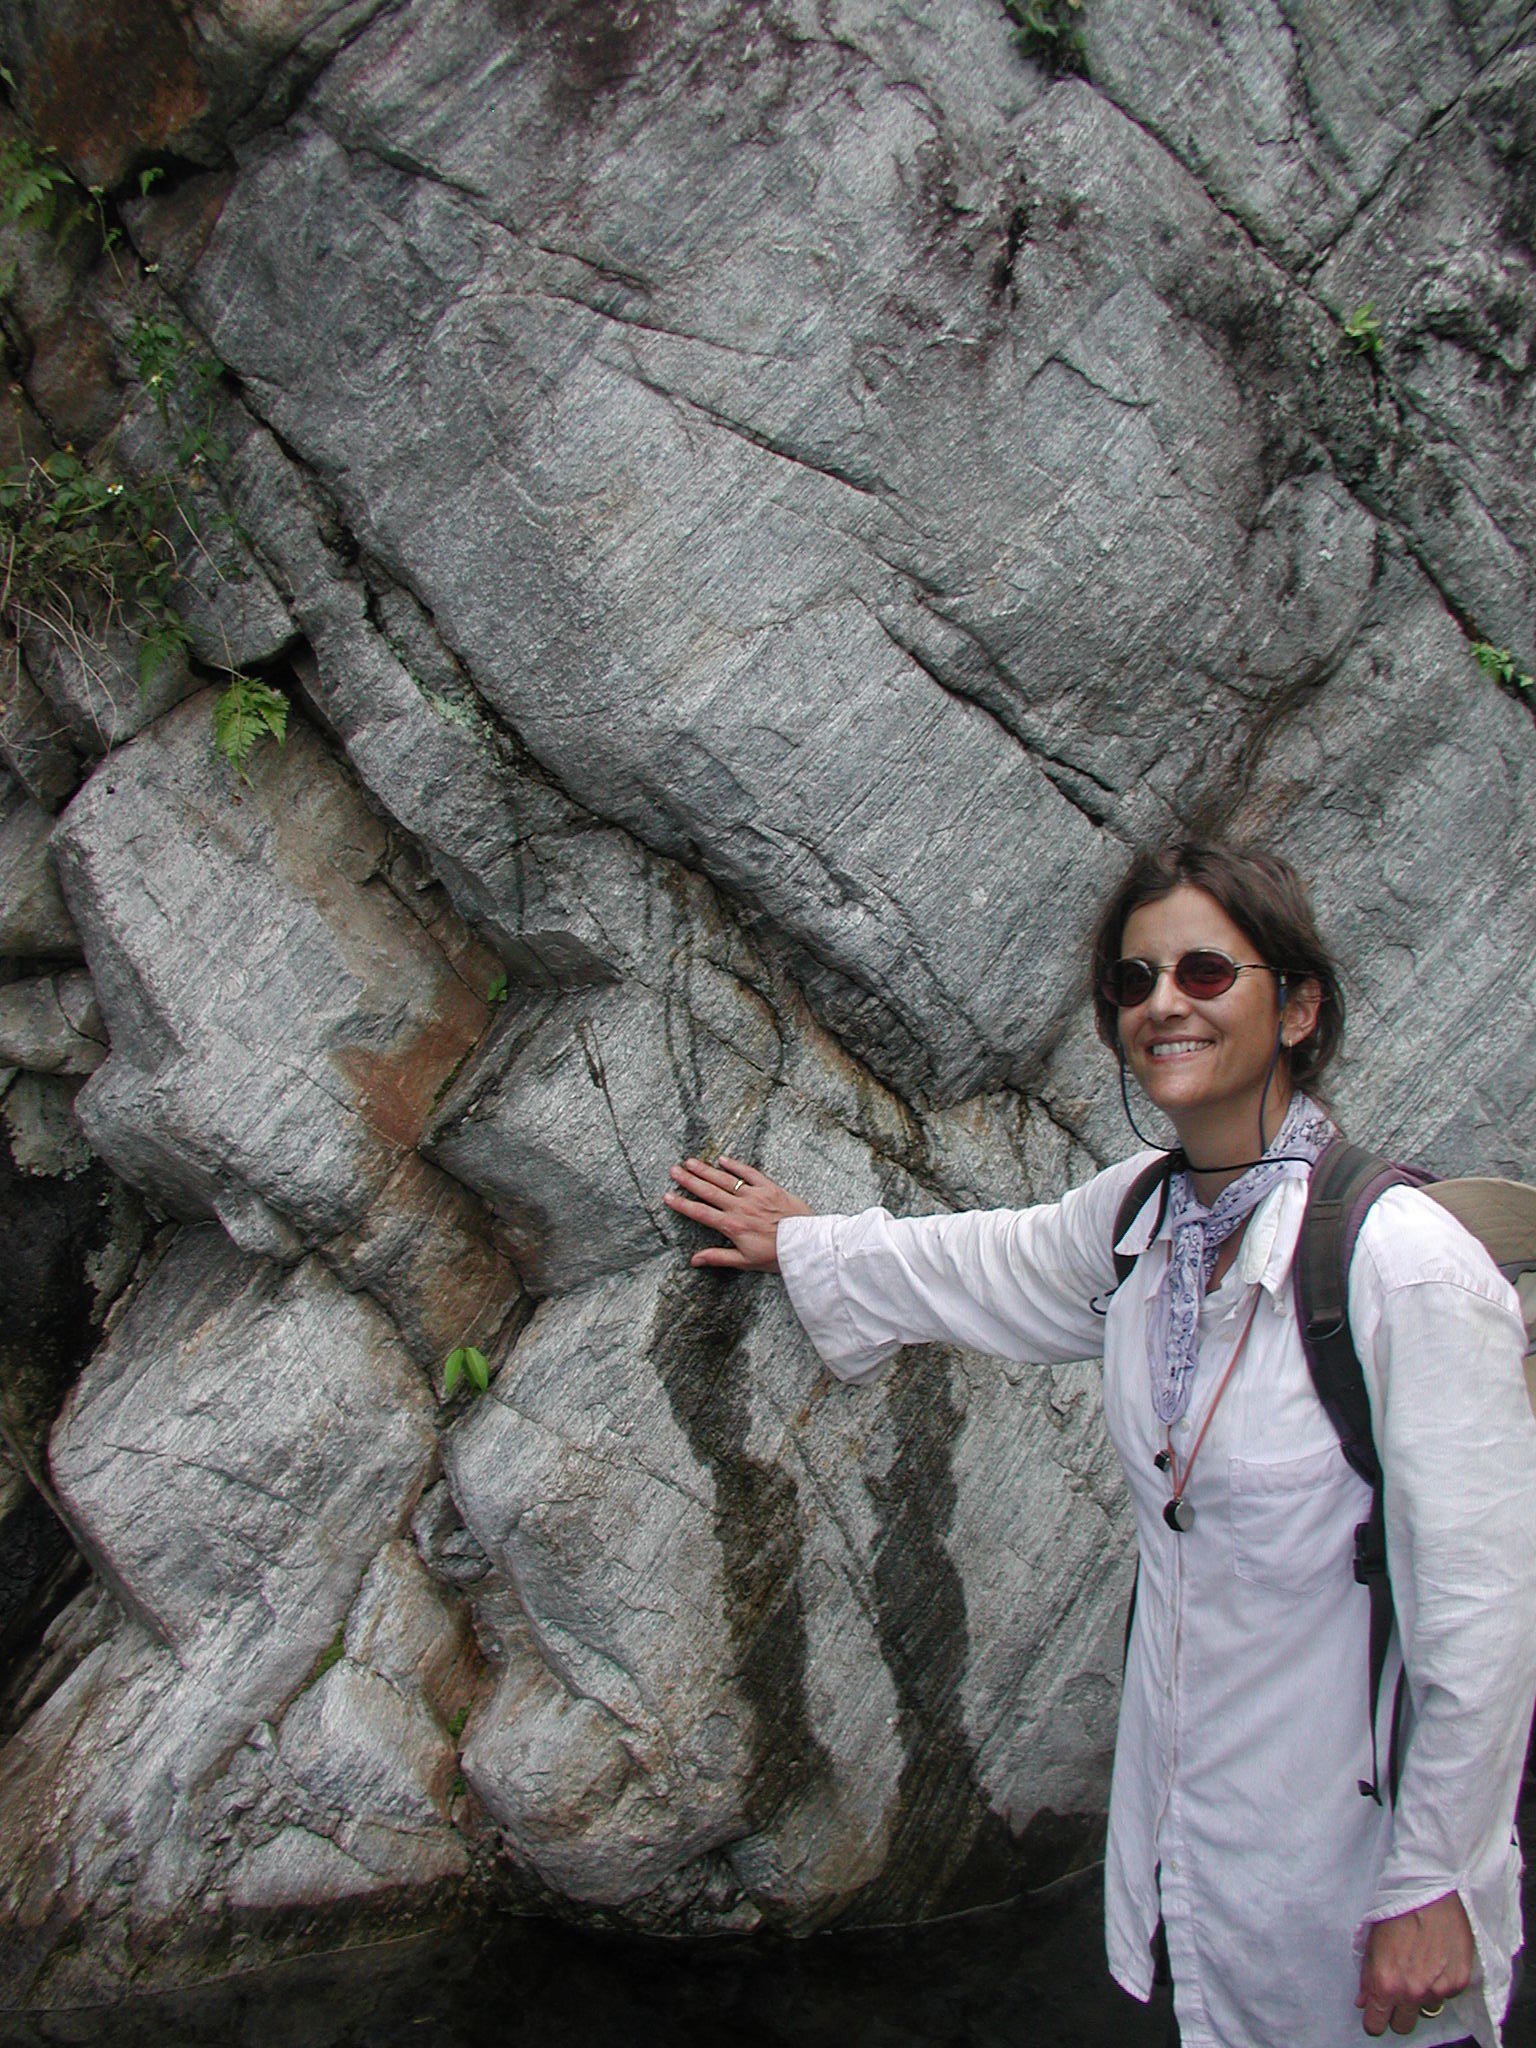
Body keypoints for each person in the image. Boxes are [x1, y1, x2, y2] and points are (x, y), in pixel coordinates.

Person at [665, 842, 1536, 2048]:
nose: (1162, 1001)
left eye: (1203, 969)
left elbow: (1484, 1619)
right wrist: (809, 1241)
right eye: (1133, 980)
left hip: (1360, 1857)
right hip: (1199, 1842)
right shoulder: (1141, 1217)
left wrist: (1433, 1883)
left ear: (1296, 1005)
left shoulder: (1408, 1268)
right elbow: (984, 1258)